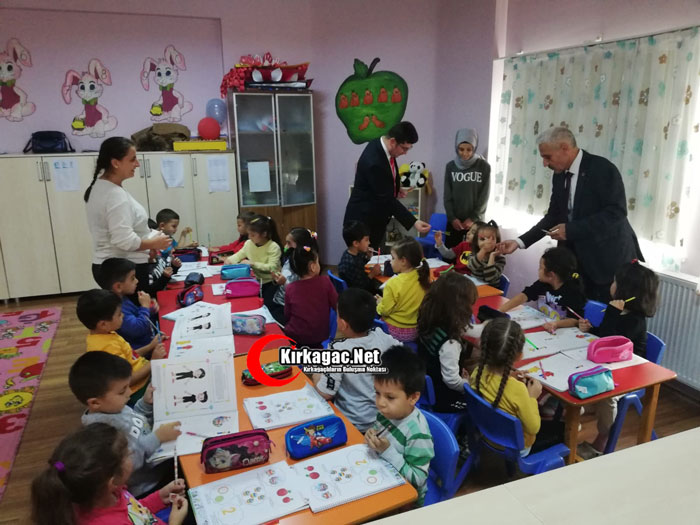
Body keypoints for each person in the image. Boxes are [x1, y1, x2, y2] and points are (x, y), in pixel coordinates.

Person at [497, 127, 643, 302]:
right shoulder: (559, 175)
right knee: (575, 311)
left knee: (602, 315)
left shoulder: (602, 169)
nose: (544, 163)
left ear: (564, 148)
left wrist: (571, 229)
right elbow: (553, 215)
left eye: (547, 157)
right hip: (577, 262)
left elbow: (616, 212)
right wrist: (519, 242)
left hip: (606, 260)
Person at [68, 353, 181, 498]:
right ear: (95, 403)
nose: (129, 392)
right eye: (122, 391)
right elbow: (129, 464)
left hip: (160, 463)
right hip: (150, 486)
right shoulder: (102, 433)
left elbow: (135, 422)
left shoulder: (113, 407)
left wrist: (145, 404)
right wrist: (157, 438)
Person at [577, 260, 659, 457]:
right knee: (577, 375)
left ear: (625, 288)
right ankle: (570, 418)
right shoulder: (617, 310)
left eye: (615, 282)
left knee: (608, 395)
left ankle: (603, 438)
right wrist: (591, 329)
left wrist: (611, 315)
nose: (611, 285)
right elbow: (604, 336)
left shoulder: (635, 320)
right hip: (612, 364)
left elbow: (610, 342)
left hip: (630, 372)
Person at [31, 423, 188, 525]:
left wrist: (159, 497)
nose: (132, 453)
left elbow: (135, 512)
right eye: (127, 454)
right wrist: (175, 522)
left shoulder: (111, 492)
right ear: (112, 480)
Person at [84, 137, 171, 289]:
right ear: (115, 163)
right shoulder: (114, 194)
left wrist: (149, 241)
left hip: (113, 265)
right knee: (141, 304)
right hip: (123, 269)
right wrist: (154, 243)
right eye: (132, 159)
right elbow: (124, 240)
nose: (137, 164)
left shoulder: (101, 187)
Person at [314, 288, 399, 431]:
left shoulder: (338, 350)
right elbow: (402, 353)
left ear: (343, 324)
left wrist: (317, 373)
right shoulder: (381, 336)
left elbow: (326, 393)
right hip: (381, 419)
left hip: (352, 422)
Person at [365, 345, 434, 507]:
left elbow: (418, 479)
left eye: (390, 397)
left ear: (413, 398)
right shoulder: (388, 412)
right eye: (377, 393)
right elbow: (381, 434)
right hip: (381, 475)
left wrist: (387, 451)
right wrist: (371, 434)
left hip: (407, 500)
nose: (380, 403)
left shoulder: (418, 434)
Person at [343, 121, 431, 248]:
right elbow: (387, 199)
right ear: (393, 141)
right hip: (363, 223)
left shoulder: (383, 147)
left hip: (377, 217)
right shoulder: (374, 162)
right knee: (367, 258)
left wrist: (396, 188)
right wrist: (414, 222)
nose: (405, 153)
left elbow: (389, 175)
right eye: (404, 148)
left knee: (378, 254)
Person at [470, 318, 543, 455]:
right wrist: (532, 397)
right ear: (519, 356)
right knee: (558, 432)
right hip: (515, 447)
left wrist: (509, 376)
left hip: (487, 434)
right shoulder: (518, 390)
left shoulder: (477, 372)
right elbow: (534, 427)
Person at [76, 289, 164, 401]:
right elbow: (126, 381)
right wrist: (153, 361)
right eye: (119, 314)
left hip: (144, 375)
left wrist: (150, 346)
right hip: (138, 390)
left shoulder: (106, 333)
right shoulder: (106, 347)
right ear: (103, 324)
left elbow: (129, 355)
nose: (123, 315)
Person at [417, 273, 478, 412]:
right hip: (445, 398)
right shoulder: (451, 343)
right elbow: (452, 381)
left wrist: (487, 328)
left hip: (428, 378)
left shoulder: (431, 318)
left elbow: (466, 329)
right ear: (461, 308)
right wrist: (467, 384)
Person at [498, 247, 586, 333]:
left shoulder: (572, 291)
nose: (538, 270)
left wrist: (556, 324)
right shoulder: (542, 284)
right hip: (544, 327)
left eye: (540, 267)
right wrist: (500, 310)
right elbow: (524, 296)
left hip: (563, 332)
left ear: (551, 275)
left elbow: (575, 320)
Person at [443, 128, 491, 248]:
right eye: (461, 149)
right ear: (456, 147)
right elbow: (447, 196)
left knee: (473, 256)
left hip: (475, 224)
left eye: (469, 149)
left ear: (474, 148)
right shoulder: (450, 167)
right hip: (454, 223)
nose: (465, 153)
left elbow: (484, 196)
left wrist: (473, 218)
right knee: (451, 255)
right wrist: (452, 218)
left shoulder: (483, 166)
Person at [376, 237, 430, 342]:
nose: (390, 261)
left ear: (403, 261)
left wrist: (379, 304)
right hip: (415, 332)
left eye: (393, 258)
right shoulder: (423, 278)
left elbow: (385, 311)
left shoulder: (393, 283)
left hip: (394, 331)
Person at [284, 245, 338, 348]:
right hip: (319, 336)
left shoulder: (290, 288)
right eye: (318, 262)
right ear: (313, 267)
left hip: (295, 337)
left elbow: (287, 314)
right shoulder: (325, 282)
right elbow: (336, 304)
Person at [100, 258, 158, 351]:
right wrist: (145, 307)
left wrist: (150, 309)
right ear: (118, 286)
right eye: (132, 278)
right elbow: (137, 329)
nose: (137, 281)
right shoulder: (117, 310)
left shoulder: (123, 298)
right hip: (142, 350)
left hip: (150, 339)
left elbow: (136, 315)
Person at [266, 227, 318, 324]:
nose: (286, 246)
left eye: (289, 243)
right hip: (280, 299)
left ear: (300, 245)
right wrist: (278, 278)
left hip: (288, 306)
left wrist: (284, 282)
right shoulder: (291, 258)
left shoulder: (304, 266)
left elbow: (300, 291)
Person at [224, 215, 282, 300]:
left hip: (271, 282)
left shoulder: (273, 247)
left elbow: (272, 267)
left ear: (264, 234)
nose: (249, 237)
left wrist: (253, 264)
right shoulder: (249, 243)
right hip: (256, 281)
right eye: (249, 234)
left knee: (266, 304)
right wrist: (229, 260)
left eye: (253, 235)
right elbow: (239, 255)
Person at [338, 220, 382, 294]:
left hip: (356, 290)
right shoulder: (352, 263)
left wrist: (368, 257)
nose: (369, 243)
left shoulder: (350, 253)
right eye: (366, 240)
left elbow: (361, 263)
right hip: (357, 295)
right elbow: (362, 287)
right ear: (356, 243)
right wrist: (372, 274)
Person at [466, 220, 506, 286]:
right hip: (474, 287)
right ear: (477, 242)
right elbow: (471, 266)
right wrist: (483, 250)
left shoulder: (500, 260)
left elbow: (490, 278)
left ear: (497, 242)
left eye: (492, 239)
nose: (487, 242)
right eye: (482, 239)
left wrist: (492, 256)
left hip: (490, 290)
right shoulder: (472, 254)